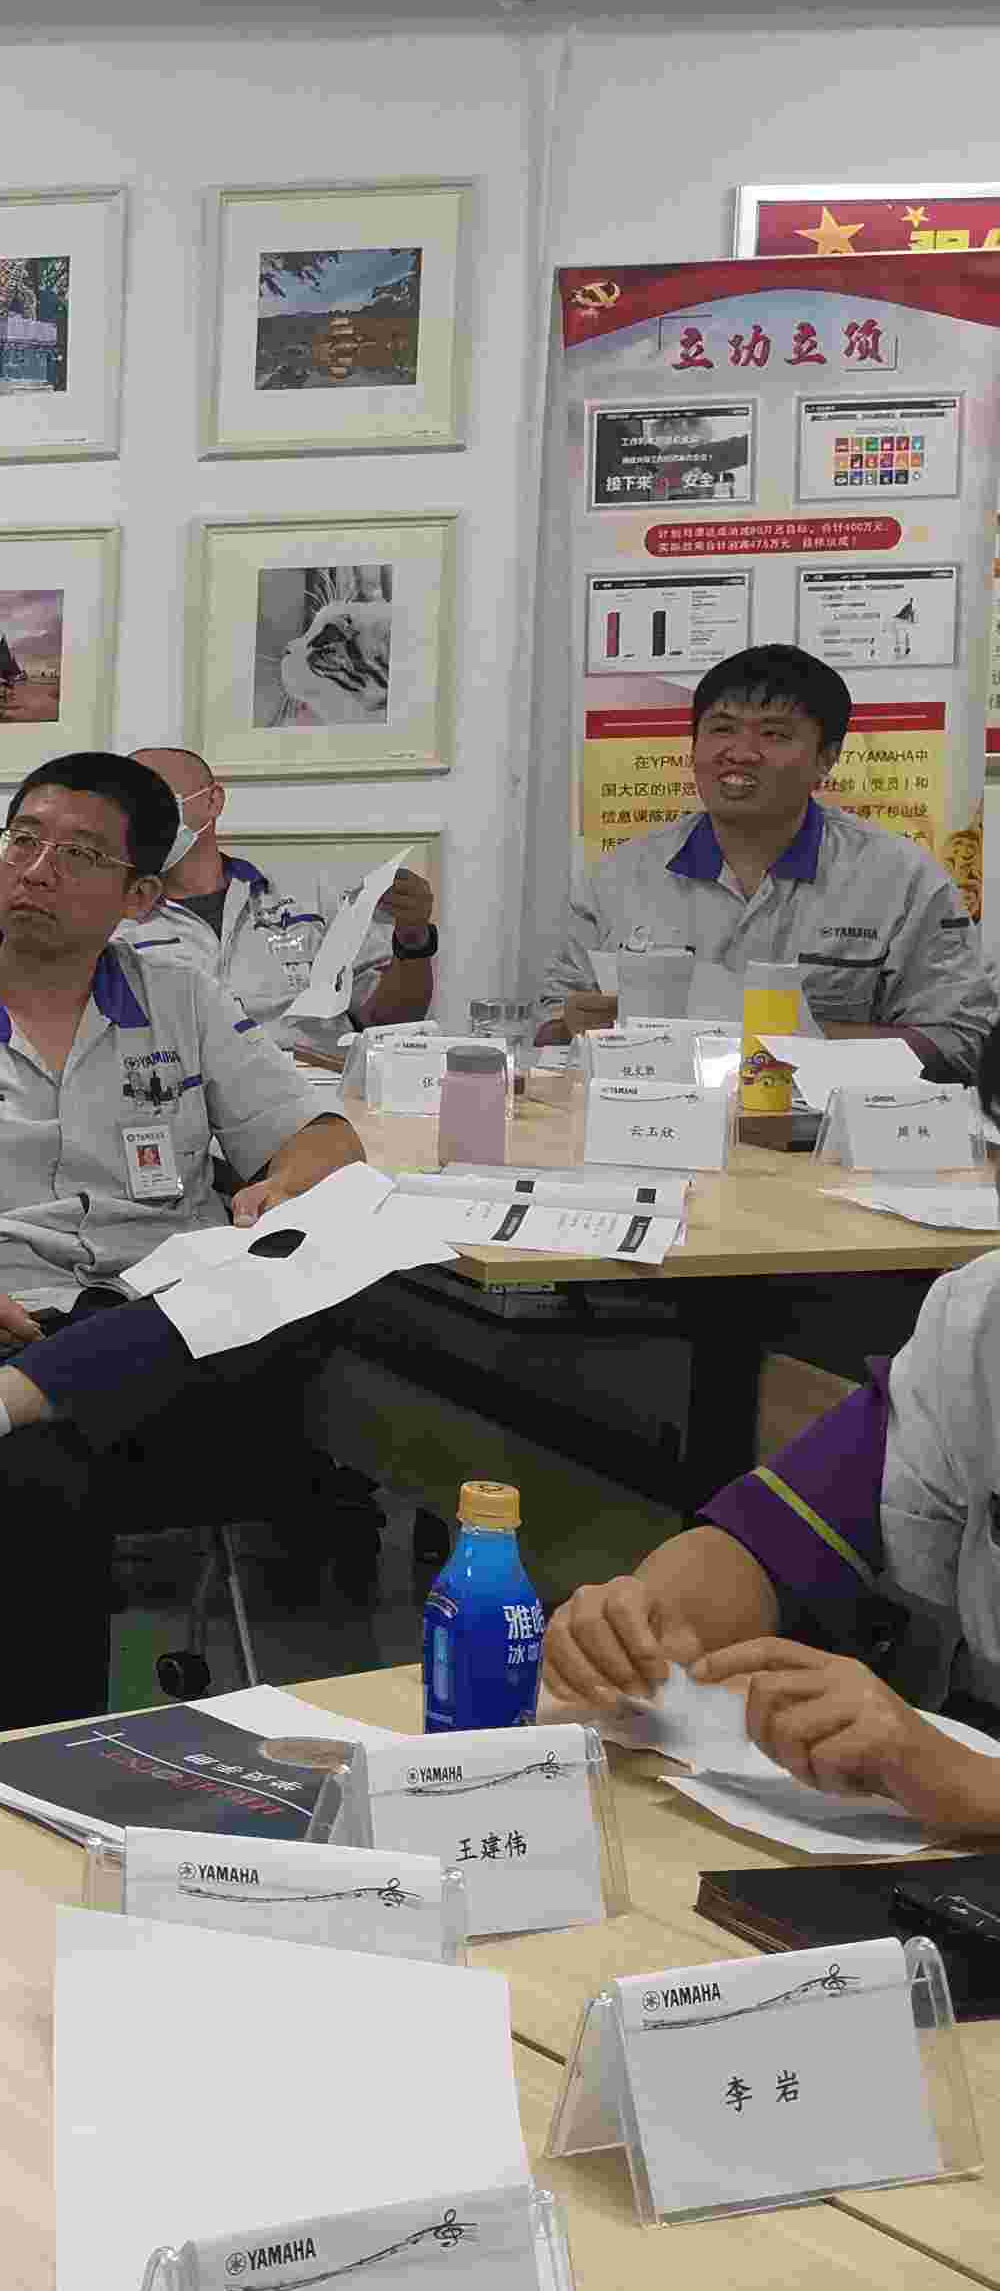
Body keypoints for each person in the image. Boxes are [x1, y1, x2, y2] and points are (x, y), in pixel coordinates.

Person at [0, 752, 368, 1732]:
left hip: (173, 1336)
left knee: (327, 1274)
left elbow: (322, 1137)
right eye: (23, 841)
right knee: (32, 1472)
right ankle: (57, 1745)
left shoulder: (185, 1003)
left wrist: (279, 1187)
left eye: (80, 855)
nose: (35, 870)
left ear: (139, 895)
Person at [535, 1038, 1000, 1837]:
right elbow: (779, 1535)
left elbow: (957, 1777)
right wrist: (648, 1627)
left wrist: (966, 1779)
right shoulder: (979, 1324)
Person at [539, 644, 988, 1072]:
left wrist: (786, 1041)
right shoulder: (617, 879)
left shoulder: (901, 879)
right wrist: (569, 1028)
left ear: (826, 759)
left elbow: (960, 1040)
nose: (740, 752)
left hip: (825, 1123)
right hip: (655, 1114)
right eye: (722, 729)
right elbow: (547, 1029)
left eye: (773, 734)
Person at [112, 745, 437, 1046]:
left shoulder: (312, 897)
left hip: (314, 1083)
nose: (143, 819)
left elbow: (387, 1021)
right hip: (183, 1086)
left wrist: (413, 940)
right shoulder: (111, 918)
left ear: (212, 801)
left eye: (157, 800)